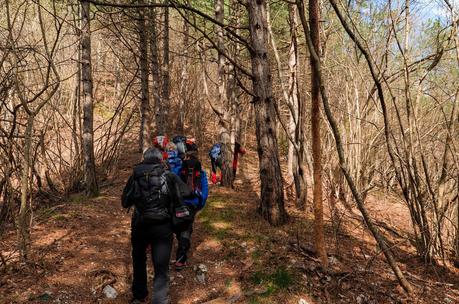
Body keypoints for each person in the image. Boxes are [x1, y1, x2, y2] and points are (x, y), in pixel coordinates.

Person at [122, 148, 190, 304]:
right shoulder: (169, 175)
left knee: (138, 260)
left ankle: (140, 296)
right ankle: (160, 301)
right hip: (163, 227)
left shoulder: (135, 176)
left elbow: (125, 201)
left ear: (144, 158)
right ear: (161, 159)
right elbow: (187, 192)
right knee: (161, 267)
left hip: (140, 225)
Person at [175, 143, 208, 270]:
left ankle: (180, 249)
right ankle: (180, 259)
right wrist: (200, 205)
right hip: (193, 204)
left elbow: (174, 183)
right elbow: (204, 192)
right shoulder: (201, 171)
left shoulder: (179, 169)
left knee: (181, 227)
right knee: (186, 229)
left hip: (180, 202)